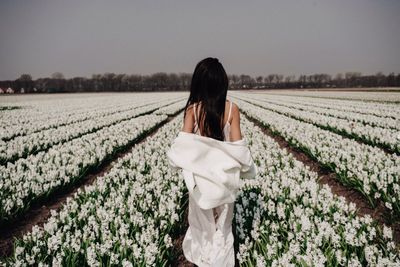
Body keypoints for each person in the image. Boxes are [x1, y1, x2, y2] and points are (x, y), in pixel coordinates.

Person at [167, 57, 257, 266]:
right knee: (223, 227)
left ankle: (203, 261)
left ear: (199, 83)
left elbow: (183, 145)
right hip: (225, 179)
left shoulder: (193, 110)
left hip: (200, 180)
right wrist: (247, 167)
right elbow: (238, 146)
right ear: (222, 83)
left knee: (202, 227)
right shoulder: (231, 109)